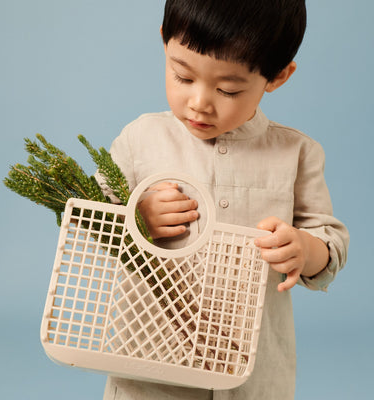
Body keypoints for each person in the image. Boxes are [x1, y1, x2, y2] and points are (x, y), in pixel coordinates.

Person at [97, 0, 349, 398]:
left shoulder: (296, 153)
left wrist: (304, 248)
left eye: (227, 88)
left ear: (278, 76)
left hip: (253, 373)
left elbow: (330, 245)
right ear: (165, 43)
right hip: (152, 367)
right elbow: (90, 220)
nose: (200, 102)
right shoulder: (139, 140)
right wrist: (138, 215)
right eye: (182, 76)